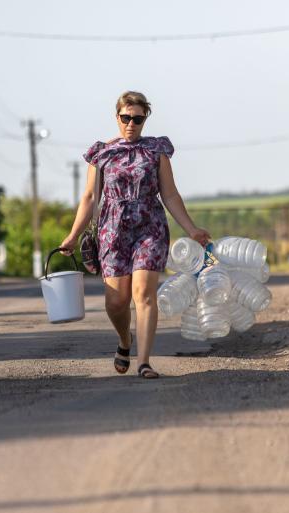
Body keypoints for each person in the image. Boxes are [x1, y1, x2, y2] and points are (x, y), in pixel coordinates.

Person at [60, 91, 210, 378]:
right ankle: (124, 340)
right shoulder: (100, 153)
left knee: (143, 293)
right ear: (117, 117)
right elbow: (90, 197)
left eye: (138, 119)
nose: (131, 123)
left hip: (149, 226)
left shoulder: (157, 150)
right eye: (126, 117)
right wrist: (71, 235)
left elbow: (170, 194)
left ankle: (144, 362)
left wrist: (191, 229)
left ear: (145, 120)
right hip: (112, 231)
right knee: (116, 301)